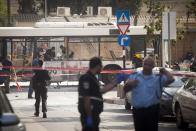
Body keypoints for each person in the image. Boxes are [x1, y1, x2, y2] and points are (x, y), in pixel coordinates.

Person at [117, 56, 174, 131]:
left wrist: (165, 71)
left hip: (152, 111)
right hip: (138, 111)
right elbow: (125, 90)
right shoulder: (135, 76)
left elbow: (171, 79)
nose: (146, 66)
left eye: (149, 65)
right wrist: (128, 84)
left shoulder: (157, 78)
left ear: (153, 66)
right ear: (142, 64)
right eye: (145, 64)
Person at [78, 57, 118, 131]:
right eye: (101, 66)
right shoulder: (86, 78)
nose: (102, 68)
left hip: (94, 115)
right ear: (97, 66)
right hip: (89, 115)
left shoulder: (93, 78)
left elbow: (101, 91)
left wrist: (115, 82)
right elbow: (86, 99)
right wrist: (89, 117)